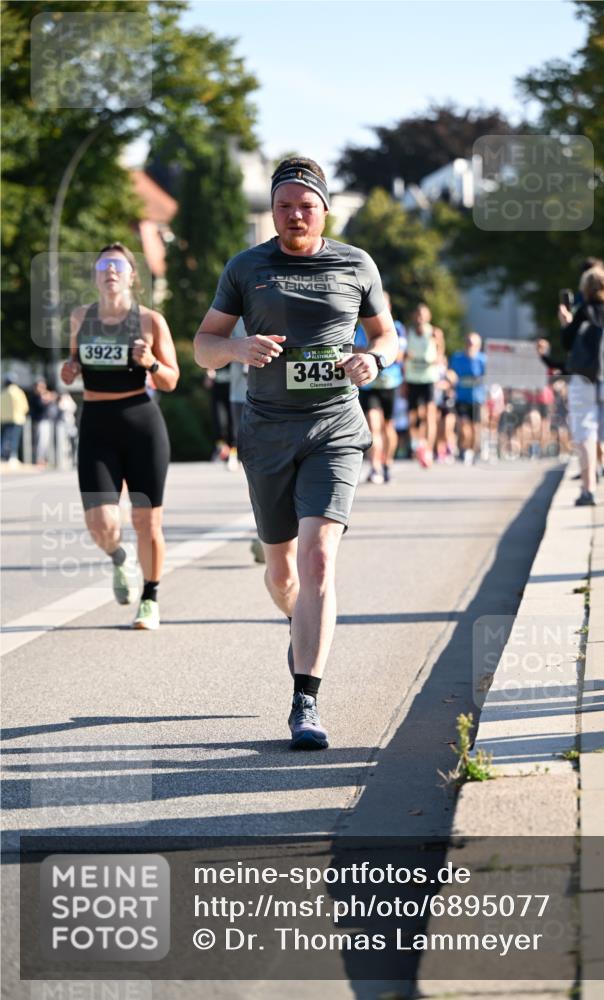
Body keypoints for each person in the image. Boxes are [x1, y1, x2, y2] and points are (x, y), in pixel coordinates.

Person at [194, 156, 397, 750]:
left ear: (324, 209)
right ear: (274, 211)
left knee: (318, 562)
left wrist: (375, 359)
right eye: (284, 206)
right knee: (282, 572)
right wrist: (236, 347)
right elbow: (204, 346)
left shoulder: (356, 264)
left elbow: (387, 334)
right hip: (266, 432)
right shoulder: (247, 267)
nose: (294, 215)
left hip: (335, 426)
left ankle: (304, 701)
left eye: (306, 205)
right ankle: (298, 620)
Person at [60, 242, 179, 629]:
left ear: (132, 276)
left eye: (118, 265)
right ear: (96, 276)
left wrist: (152, 362)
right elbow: (74, 364)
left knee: (148, 522)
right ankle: (118, 557)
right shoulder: (80, 318)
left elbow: (171, 379)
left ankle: (151, 597)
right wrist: (69, 371)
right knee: (102, 524)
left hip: (141, 423)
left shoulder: (150, 321)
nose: (110, 271)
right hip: (96, 422)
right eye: (103, 266)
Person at [559, 266, 604, 505]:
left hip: (587, 378)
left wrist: (566, 323)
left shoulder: (585, 311)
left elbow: (568, 342)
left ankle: (588, 489)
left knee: (585, 434)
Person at [358, 292, 406, 483]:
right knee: (372, 426)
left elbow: (398, 355)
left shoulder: (398, 328)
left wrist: (372, 353)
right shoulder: (360, 327)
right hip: (369, 386)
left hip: (390, 383)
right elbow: (352, 350)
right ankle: (375, 466)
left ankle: (388, 463)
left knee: (388, 427)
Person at [404, 303, 444, 467]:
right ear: (415, 316)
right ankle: (417, 444)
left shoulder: (435, 332)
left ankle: (428, 449)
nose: (420, 317)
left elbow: (441, 353)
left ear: (428, 317)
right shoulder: (409, 332)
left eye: (423, 314)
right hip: (412, 378)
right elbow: (403, 352)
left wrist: (436, 358)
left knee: (430, 414)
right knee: (413, 416)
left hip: (429, 377)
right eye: (418, 314)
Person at [448, 332, 487, 465]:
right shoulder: (458, 358)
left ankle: (473, 450)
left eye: (473, 343)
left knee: (476, 428)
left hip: (477, 399)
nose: (470, 346)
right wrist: (450, 378)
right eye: (468, 342)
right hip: (462, 398)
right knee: (464, 427)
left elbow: (489, 377)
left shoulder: (483, 360)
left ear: (478, 346)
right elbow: (452, 373)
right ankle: (465, 449)